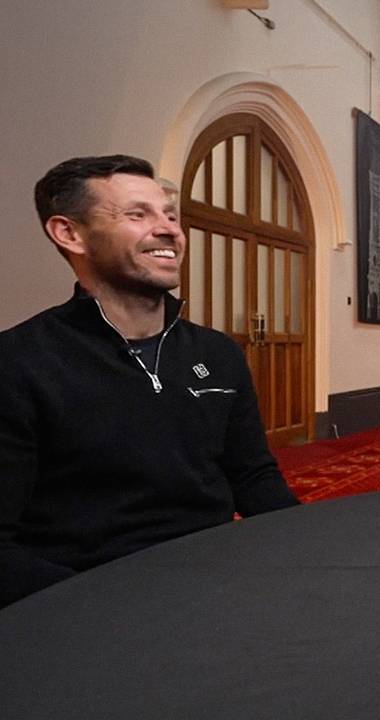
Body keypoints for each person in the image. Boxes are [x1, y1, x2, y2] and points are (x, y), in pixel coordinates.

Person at [0, 155, 299, 607]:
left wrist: (313, 552)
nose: (168, 230)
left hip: (218, 581)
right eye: (137, 214)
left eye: (171, 216)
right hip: (88, 598)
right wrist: (97, 604)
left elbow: (254, 478)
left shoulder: (217, 353)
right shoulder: (19, 362)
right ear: (69, 233)